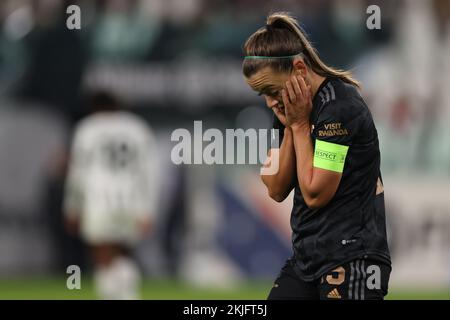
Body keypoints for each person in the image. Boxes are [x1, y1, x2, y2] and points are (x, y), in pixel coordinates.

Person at [242, 12, 391, 300]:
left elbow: (315, 193)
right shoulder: (288, 107)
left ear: (299, 68)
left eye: (272, 90)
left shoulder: (339, 107)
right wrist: (289, 125)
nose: (270, 101)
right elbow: (274, 187)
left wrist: (298, 126)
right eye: (261, 93)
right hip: (307, 260)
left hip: (354, 260)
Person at [63, 91, 159, 299]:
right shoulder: (137, 127)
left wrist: (71, 206)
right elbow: (149, 170)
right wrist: (148, 209)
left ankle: (110, 292)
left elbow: (77, 170)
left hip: (98, 196)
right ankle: (127, 290)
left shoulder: (88, 127)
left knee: (102, 251)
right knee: (123, 250)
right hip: (130, 197)